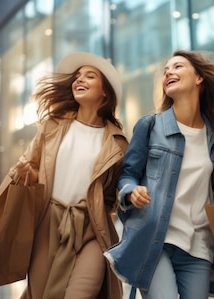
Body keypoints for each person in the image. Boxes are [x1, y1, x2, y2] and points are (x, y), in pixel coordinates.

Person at [104, 50, 214, 299]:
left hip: (200, 246)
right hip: (155, 241)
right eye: (166, 71)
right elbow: (127, 175)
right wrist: (131, 191)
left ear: (199, 78)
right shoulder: (150, 126)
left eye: (177, 67)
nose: (168, 73)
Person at [9, 52, 128, 298]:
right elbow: (31, 171)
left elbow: (114, 194)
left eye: (89, 76)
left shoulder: (118, 142)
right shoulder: (53, 126)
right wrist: (25, 172)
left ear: (104, 91)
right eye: (76, 77)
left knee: (82, 293)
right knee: (42, 293)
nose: (78, 80)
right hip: (48, 221)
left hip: (93, 227)